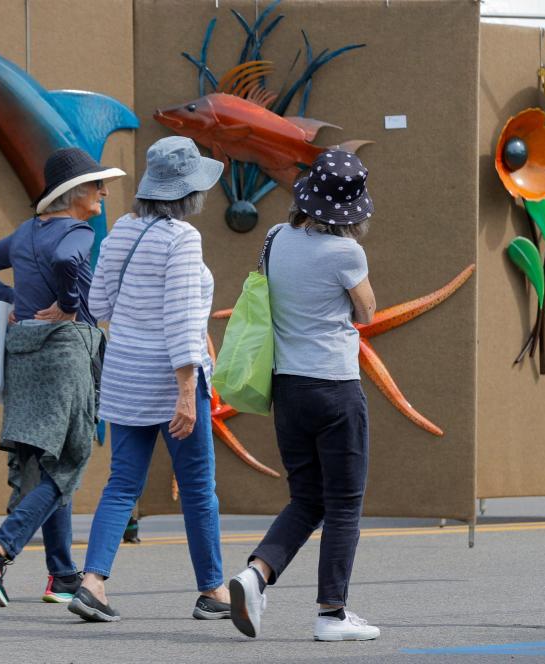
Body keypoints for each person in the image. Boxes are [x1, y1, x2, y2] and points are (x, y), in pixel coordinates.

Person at [68, 136, 229, 622]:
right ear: (189, 191)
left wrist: (136, 320)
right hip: (170, 376)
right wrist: (186, 389)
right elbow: (182, 318)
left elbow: (98, 306)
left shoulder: (122, 227)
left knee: (122, 484)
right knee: (199, 486)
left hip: (124, 374)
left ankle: (92, 583)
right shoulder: (182, 238)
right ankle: (213, 592)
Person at [0, 147, 125, 607]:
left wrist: (14, 300)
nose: (104, 193)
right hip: (65, 351)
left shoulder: (25, 232)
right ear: (73, 194)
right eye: (97, 186)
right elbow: (68, 263)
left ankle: (62, 575)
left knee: (47, 458)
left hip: (25, 353)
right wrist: (71, 306)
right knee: (70, 457)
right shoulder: (77, 230)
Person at [228, 150, 380, 642]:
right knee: (343, 504)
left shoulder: (275, 237)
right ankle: (331, 614)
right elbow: (368, 314)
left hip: (288, 389)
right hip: (335, 389)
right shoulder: (347, 254)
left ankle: (256, 574)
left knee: (306, 498)